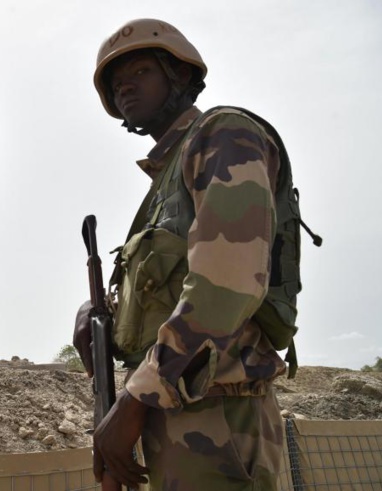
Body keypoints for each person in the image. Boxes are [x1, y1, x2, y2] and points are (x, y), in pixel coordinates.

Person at [73, 19, 286, 490]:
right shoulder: (165, 183)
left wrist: (134, 399)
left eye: (142, 70)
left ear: (182, 77)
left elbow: (226, 285)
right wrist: (102, 319)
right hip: (171, 411)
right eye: (116, 82)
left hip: (217, 411)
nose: (125, 85)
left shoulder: (223, 134)